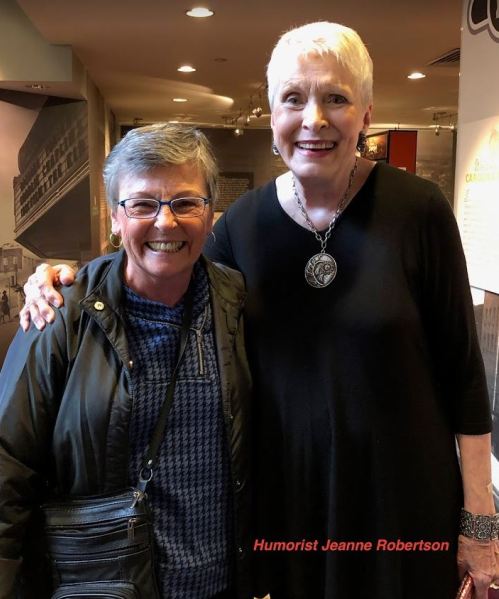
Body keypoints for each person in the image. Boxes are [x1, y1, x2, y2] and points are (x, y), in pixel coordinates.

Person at [19, 22, 496, 599]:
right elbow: (162, 264)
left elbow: (465, 376)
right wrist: (64, 277)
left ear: (366, 115)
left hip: (400, 500)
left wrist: (480, 521)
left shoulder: (418, 210)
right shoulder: (242, 226)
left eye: (336, 98)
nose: (314, 119)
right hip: (286, 503)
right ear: (273, 116)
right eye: (294, 99)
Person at [0, 124, 252, 599]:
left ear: (210, 213)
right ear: (115, 217)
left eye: (184, 202)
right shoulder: (60, 314)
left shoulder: (237, 304)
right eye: (142, 204)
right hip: (104, 587)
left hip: (219, 585)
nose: (165, 222)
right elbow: (7, 465)